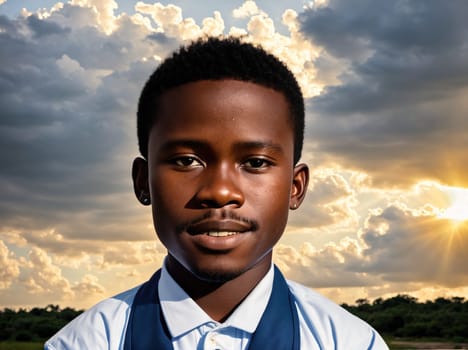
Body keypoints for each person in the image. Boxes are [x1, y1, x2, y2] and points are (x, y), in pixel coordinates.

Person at [45, 36, 389, 350]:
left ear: (295, 188)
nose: (220, 191)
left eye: (255, 162)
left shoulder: (351, 342)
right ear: (143, 181)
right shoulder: (85, 342)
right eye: (186, 160)